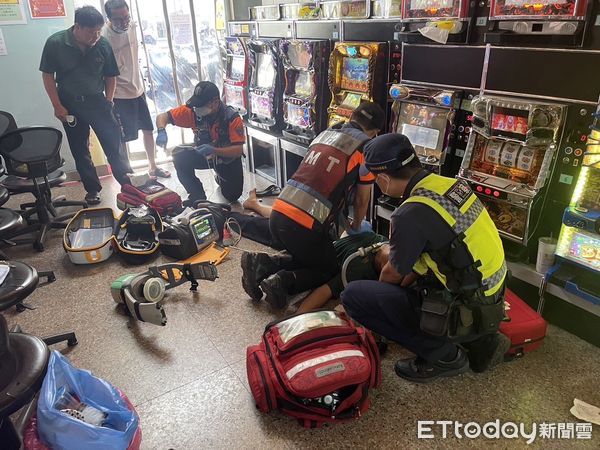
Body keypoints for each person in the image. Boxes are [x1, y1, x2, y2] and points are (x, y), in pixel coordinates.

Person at [340, 133, 509, 383]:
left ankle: (444, 356)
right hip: (493, 292)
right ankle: (478, 337)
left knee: (354, 296)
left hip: (468, 304)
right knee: (410, 286)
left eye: (376, 179)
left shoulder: (409, 214)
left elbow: (393, 274)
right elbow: (434, 254)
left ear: (384, 179)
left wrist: (377, 299)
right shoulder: (451, 184)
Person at [241, 102, 385, 308]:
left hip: (278, 212)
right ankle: (282, 282)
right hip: (304, 226)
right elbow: (362, 200)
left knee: (312, 257)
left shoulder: (326, 134)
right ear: (375, 132)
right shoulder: (366, 149)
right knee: (329, 269)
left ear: (351, 116)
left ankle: (262, 264)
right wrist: (356, 225)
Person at [40, 6, 133, 205]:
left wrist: (108, 101)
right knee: (80, 148)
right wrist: (57, 105)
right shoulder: (55, 43)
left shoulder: (103, 44)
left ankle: (127, 184)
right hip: (70, 104)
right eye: (91, 32)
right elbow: (48, 76)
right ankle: (92, 189)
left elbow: (110, 76)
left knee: (114, 145)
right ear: (78, 27)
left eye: (99, 31)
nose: (96, 36)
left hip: (98, 102)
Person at [102, 0, 171, 179]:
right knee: (123, 136)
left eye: (126, 17)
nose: (124, 23)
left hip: (137, 88)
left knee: (148, 128)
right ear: (108, 18)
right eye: (118, 20)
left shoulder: (132, 26)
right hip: (119, 93)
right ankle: (128, 173)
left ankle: (153, 167)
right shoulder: (104, 37)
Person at [155, 81, 245, 205]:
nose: (196, 108)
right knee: (179, 157)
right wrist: (161, 130)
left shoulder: (231, 118)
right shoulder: (192, 111)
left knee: (232, 196)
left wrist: (215, 150)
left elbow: (238, 150)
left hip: (225, 158)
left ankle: (219, 176)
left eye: (200, 105)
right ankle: (197, 195)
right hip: (202, 154)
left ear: (215, 102)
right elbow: (163, 116)